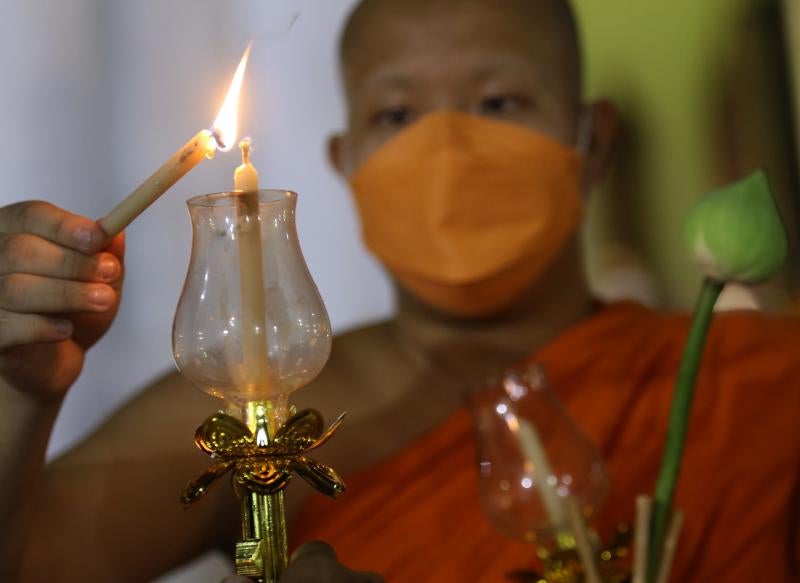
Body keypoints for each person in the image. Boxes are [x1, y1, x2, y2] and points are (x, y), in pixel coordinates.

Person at [0, 0, 798, 581]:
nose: (445, 147)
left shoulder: (761, 380)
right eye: (397, 113)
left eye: (498, 102)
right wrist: (18, 390)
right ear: (347, 163)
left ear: (592, 143)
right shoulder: (253, 402)